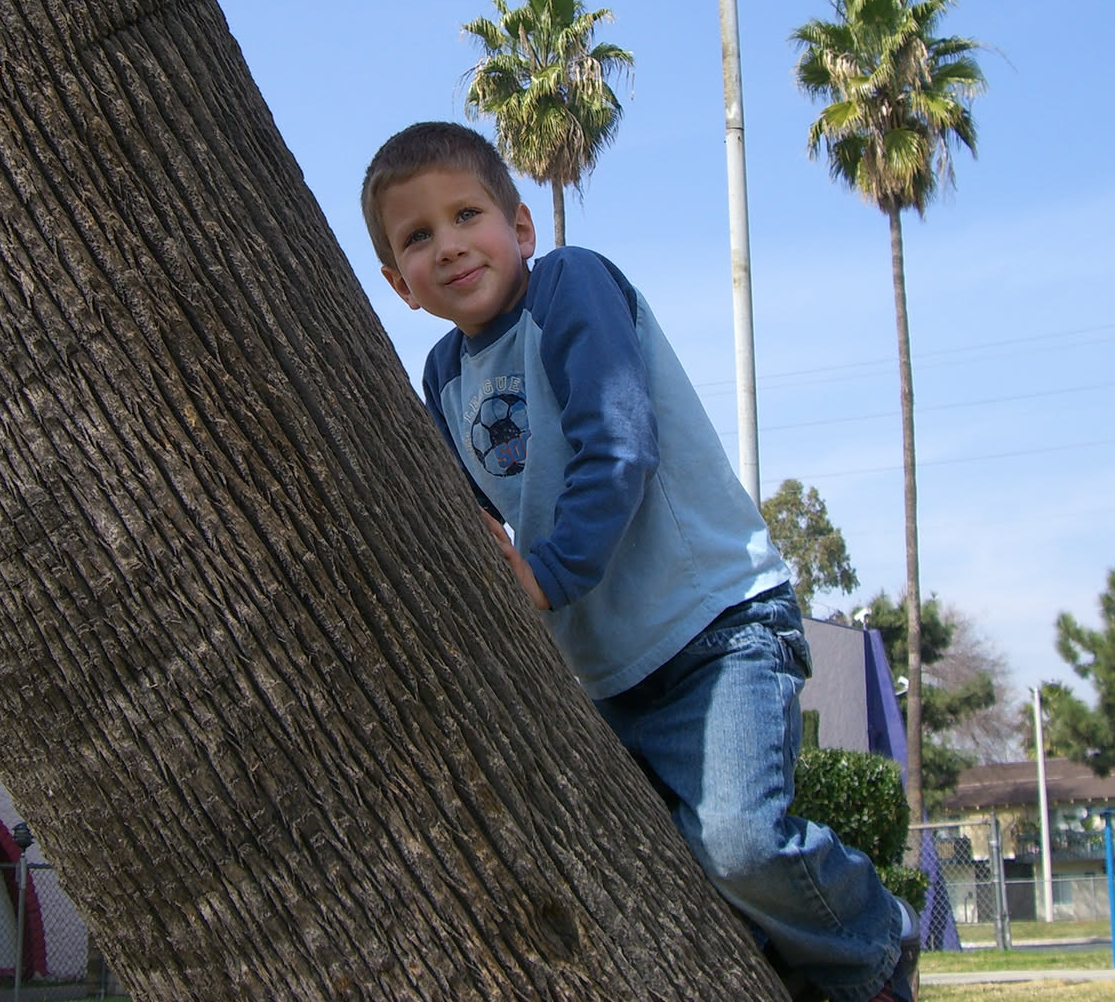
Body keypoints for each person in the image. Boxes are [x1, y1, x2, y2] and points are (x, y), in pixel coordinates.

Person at [361, 120, 918, 1002]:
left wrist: (545, 577)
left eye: (467, 215)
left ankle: (876, 942)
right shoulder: (442, 377)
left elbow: (618, 445)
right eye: (418, 236)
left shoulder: (569, 286)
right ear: (400, 284)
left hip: (715, 628)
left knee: (741, 843)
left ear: (521, 227)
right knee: (666, 871)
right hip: (604, 671)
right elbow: (466, 517)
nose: (450, 245)